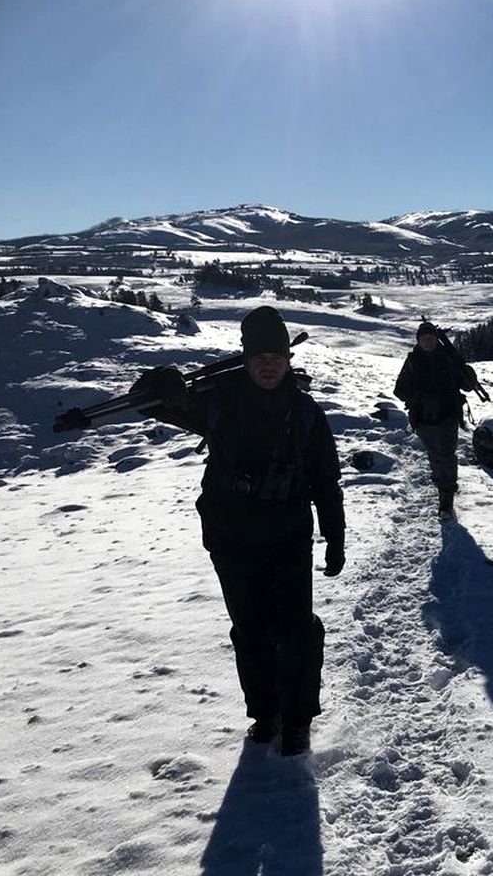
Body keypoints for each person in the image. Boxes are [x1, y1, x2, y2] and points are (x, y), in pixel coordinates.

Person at [129, 306, 344, 756]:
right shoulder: (218, 402)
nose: (268, 366)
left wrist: (334, 536)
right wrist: (161, 381)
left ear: (288, 360)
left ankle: (297, 720)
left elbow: (326, 479)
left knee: (297, 631)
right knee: (250, 630)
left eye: (276, 358)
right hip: (231, 538)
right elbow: (149, 402)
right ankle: (265, 713)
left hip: (288, 538)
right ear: (246, 360)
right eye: (260, 358)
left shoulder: (305, 413)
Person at [393, 321, 470, 517]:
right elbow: (399, 390)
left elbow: (467, 385)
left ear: (436, 339)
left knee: (447, 455)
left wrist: (467, 372)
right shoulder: (412, 361)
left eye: (431, 338)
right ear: (418, 341)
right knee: (436, 455)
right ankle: (442, 486)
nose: (428, 342)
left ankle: (447, 498)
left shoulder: (449, 358)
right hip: (424, 419)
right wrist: (417, 397)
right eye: (424, 339)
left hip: (447, 416)